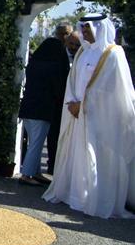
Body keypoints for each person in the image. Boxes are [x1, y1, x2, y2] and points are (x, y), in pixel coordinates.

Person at [43, 13, 135, 218]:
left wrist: (83, 105)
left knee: (97, 158)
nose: (84, 30)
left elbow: (114, 89)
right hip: (77, 115)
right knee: (77, 155)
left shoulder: (113, 53)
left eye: (88, 27)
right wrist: (72, 103)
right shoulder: (82, 53)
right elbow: (73, 82)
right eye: (82, 27)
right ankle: (74, 195)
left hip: (101, 117)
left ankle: (94, 199)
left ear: (100, 28)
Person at [17, 38, 70, 186]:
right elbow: (58, 89)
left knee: (34, 143)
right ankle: (26, 175)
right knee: (36, 143)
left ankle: (36, 172)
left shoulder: (33, 64)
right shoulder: (53, 67)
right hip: (42, 109)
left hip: (27, 108)